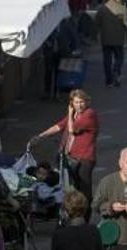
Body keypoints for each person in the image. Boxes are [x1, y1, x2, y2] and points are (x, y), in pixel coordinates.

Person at [32, 89, 99, 220]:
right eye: (76, 102)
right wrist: (40, 136)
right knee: (70, 188)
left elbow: (71, 129)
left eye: (82, 102)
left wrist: (69, 113)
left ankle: (85, 218)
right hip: (70, 157)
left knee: (84, 190)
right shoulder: (75, 115)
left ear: (87, 102)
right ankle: (74, 215)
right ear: (72, 103)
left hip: (84, 159)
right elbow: (59, 126)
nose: (79, 105)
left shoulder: (90, 114)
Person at [95, 0, 127, 88]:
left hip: (106, 39)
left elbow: (96, 24)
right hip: (118, 39)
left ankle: (109, 81)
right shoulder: (122, 9)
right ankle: (116, 70)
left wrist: (94, 36)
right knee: (119, 57)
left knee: (107, 60)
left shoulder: (102, 9)